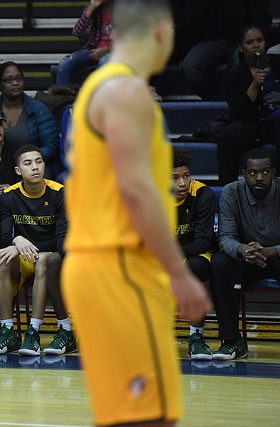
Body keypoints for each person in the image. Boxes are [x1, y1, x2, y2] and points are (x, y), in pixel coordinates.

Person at [63, 1, 211, 425]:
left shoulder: (98, 85)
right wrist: (180, 274)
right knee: (150, 417)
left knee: (128, 416)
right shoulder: (126, 91)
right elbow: (135, 189)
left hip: (102, 266)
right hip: (120, 266)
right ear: (163, 32)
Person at [0, 145, 74, 356]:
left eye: (39, 161)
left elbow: (62, 242)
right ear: (18, 171)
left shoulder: (59, 193)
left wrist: (32, 247)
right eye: (28, 163)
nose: (35, 167)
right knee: (1, 260)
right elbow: (3, 237)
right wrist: (17, 240)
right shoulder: (9, 196)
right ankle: (8, 331)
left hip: (52, 257)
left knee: (43, 260)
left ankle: (33, 332)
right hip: (24, 257)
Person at [211, 147, 280, 360]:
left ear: (273, 172)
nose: (259, 177)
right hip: (246, 257)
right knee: (220, 263)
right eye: (253, 173)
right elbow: (225, 237)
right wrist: (243, 249)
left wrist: (271, 251)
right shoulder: (232, 192)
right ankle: (231, 341)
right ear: (244, 173)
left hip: (276, 256)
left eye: (265, 172)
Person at [0, 62, 61, 178]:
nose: (15, 83)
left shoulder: (39, 110)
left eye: (19, 79)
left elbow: (51, 146)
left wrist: (26, 161)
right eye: (8, 80)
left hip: (31, 168)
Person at [217, 25, 279, 185]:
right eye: (250, 42)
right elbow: (239, 111)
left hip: (274, 123)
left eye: (260, 40)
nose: (256, 45)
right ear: (241, 47)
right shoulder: (235, 75)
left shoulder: (276, 68)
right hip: (249, 123)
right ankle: (227, 190)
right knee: (228, 136)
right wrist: (254, 85)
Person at [172, 148, 216, 360]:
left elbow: (203, 241)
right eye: (175, 178)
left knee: (198, 267)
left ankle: (196, 337)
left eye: (186, 176)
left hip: (196, 252)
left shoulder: (202, 194)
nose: (182, 183)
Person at [181, 1, 270, 101]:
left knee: (239, 62)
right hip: (212, 39)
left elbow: (261, 17)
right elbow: (192, 19)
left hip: (244, 39)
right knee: (191, 66)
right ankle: (216, 99)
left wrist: (255, 40)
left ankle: (233, 99)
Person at [55, 0, 113, 86]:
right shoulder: (95, 9)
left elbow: (129, 41)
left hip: (113, 51)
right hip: (93, 50)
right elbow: (77, 32)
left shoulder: (122, 10)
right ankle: (62, 97)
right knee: (64, 64)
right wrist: (91, 9)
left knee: (104, 62)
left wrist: (107, 50)